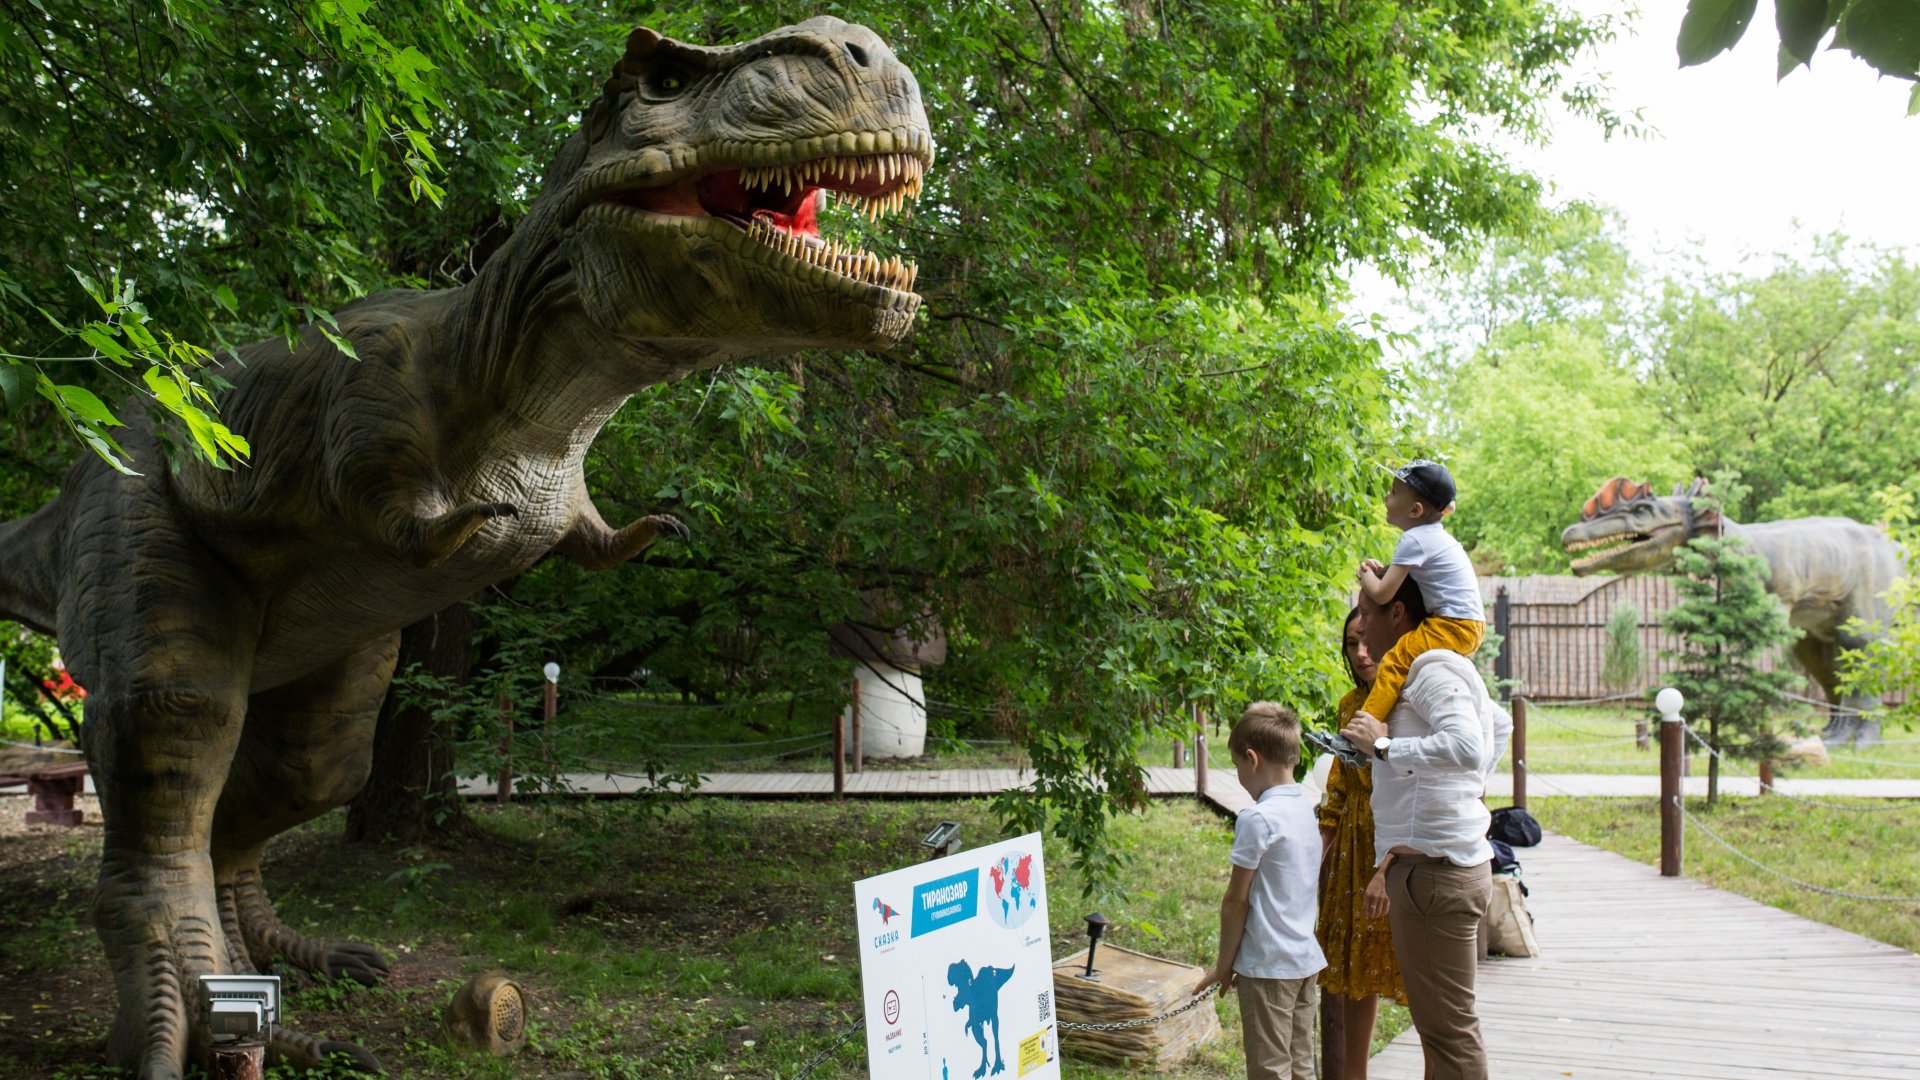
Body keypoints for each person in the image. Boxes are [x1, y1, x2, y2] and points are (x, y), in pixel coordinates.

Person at [1340, 576, 1511, 1080]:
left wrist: (1388, 749)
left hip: (1436, 873)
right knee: (1439, 1030)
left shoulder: (1430, 670)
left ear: (1397, 614)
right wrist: (1463, 793)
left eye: (1368, 612)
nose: (1361, 623)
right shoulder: (1418, 671)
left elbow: (1469, 744)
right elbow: (1498, 725)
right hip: (1426, 868)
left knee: (1450, 1034)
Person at [1195, 703, 1327, 1080]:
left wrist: (1224, 966)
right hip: (1304, 960)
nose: (1239, 775)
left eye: (1237, 765)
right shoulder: (1306, 809)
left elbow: (1236, 900)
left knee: (1270, 1069)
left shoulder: (1258, 818)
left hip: (1269, 965)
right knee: (1301, 1064)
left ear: (1252, 759)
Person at [1316, 608, 1405, 1080]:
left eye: (1368, 640)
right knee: (1353, 971)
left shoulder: (1409, 700)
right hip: (1354, 842)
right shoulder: (1351, 703)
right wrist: (1321, 850)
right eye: (1352, 643)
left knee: (1412, 966)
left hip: (1401, 841)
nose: (1362, 653)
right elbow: (1340, 782)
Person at [1355, 459, 1485, 723]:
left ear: (1415, 510)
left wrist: (1364, 573)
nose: (1386, 498)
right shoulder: (1431, 536)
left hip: (1453, 625)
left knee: (1394, 662)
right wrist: (1380, 571)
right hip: (1467, 623)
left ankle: (1364, 726)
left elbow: (1382, 594)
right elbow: (1400, 582)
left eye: (1393, 493)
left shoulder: (1414, 539)